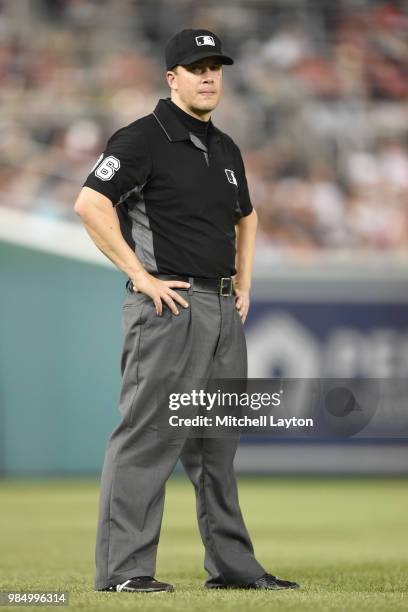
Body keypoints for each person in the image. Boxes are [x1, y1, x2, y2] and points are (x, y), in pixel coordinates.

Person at [74, 28, 299, 594]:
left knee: (217, 447)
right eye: (196, 67)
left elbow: (246, 216)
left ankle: (233, 569)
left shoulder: (225, 148)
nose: (208, 76)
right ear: (171, 77)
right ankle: (124, 572)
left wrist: (243, 282)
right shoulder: (141, 138)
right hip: (169, 309)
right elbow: (90, 203)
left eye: (215, 67)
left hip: (223, 310)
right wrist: (138, 275)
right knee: (148, 438)